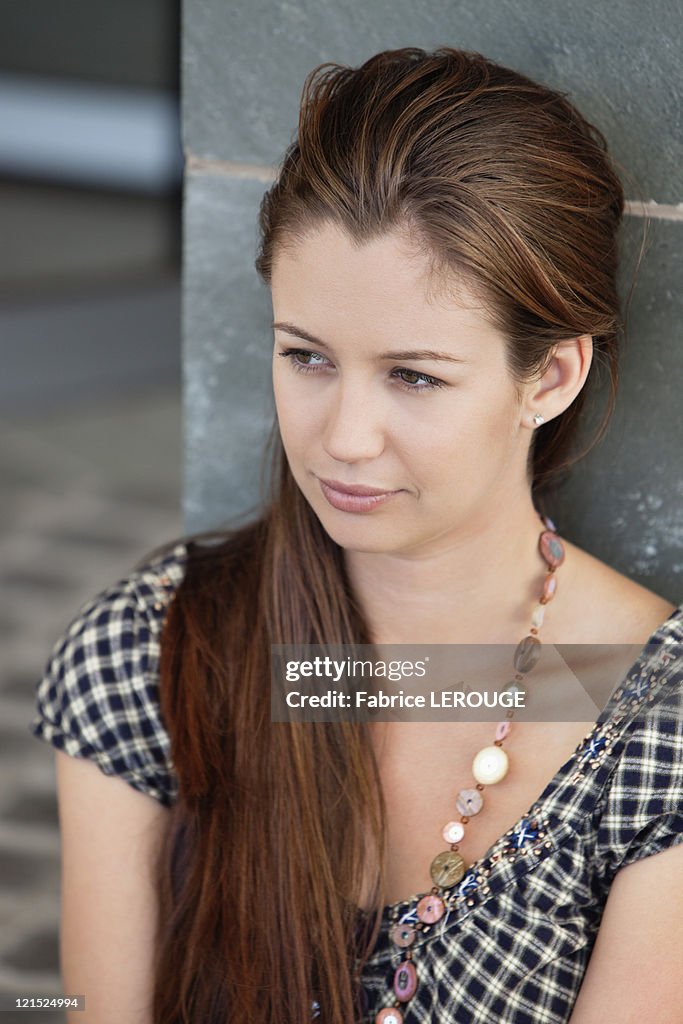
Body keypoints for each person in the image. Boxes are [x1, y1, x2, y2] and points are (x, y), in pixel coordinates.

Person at [30, 46, 683, 1024]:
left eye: (412, 375)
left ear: (545, 378)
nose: (340, 438)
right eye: (306, 356)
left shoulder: (648, 724)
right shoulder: (149, 653)